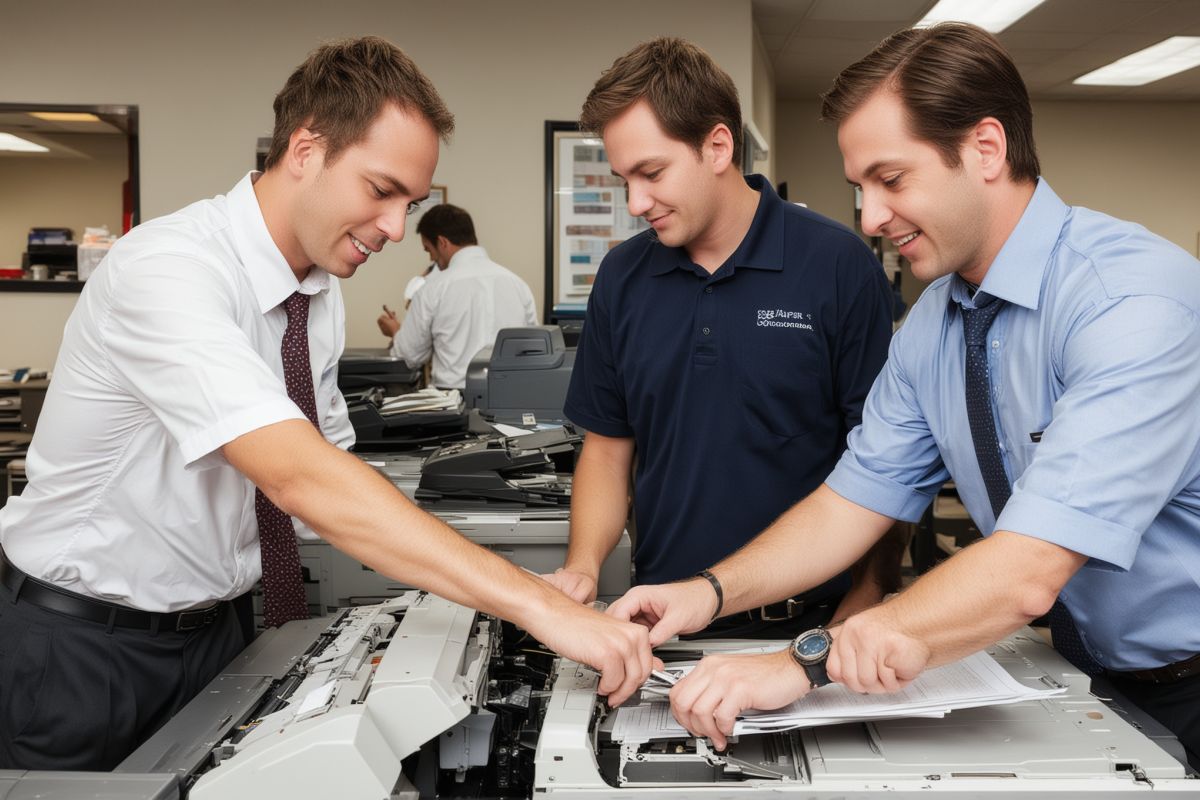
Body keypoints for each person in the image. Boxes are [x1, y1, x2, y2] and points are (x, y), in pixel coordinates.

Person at [0, 36, 651, 772]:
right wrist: (538, 608)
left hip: (216, 634)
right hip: (84, 648)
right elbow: (299, 478)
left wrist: (503, 584)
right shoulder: (170, 269)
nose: (397, 230)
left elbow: (334, 479)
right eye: (381, 191)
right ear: (305, 150)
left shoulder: (315, 295)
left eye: (412, 203)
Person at [607, 22, 1200, 766]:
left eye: (892, 180)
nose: (870, 219)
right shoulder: (935, 326)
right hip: (1089, 675)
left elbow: (1029, 571)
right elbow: (852, 503)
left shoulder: (1130, 299)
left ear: (985, 149)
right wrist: (709, 592)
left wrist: (803, 663)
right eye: (861, 188)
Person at [542, 37, 901, 639]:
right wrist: (582, 567)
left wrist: (864, 602)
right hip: (663, 622)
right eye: (624, 179)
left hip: (807, 627)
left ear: (717, 146)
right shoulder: (623, 277)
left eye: (652, 173)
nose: (636, 202)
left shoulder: (836, 265)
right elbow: (606, 451)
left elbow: (888, 458)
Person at [376, 203, 537, 389]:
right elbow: (533, 351)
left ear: (442, 243)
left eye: (429, 250)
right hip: (511, 398)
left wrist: (396, 331)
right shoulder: (518, 285)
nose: (431, 259)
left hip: (453, 403)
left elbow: (409, 357)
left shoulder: (433, 289)